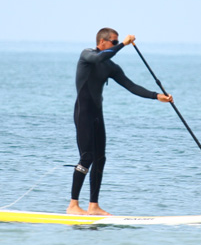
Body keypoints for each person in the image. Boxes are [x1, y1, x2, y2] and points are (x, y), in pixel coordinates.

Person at [67, 28, 173, 216]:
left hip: (98, 116)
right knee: (86, 157)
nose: (116, 45)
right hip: (83, 114)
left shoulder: (111, 67)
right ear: (102, 42)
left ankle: (93, 206)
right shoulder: (87, 55)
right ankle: (73, 205)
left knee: (100, 158)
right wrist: (124, 44)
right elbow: (99, 58)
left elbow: (131, 86)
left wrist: (156, 96)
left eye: (117, 43)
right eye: (113, 43)